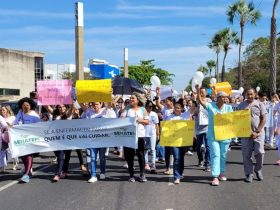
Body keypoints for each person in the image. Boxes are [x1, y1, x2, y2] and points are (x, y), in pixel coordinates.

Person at [196, 85, 233, 186]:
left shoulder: (229, 108)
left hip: (225, 135)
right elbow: (200, 101)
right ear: (218, 98)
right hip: (213, 136)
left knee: (223, 155)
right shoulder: (211, 106)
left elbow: (232, 120)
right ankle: (215, 176)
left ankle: (221, 172)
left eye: (226, 97)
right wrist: (198, 90)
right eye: (223, 97)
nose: (225, 98)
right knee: (215, 155)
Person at [238, 89, 267, 183]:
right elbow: (237, 120)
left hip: (258, 133)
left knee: (260, 152)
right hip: (245, 134)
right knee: (246, 155)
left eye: (251, 94)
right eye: (248, 94)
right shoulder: (241, 105)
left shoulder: (260, 104)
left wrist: (257, 131)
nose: (250, 96)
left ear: (255, 94)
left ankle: (258, 169)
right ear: (245, 95)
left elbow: (263, 119)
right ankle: (249, 174)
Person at [121, 92, 149, 183]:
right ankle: (131, 175)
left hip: (140, 135)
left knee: (140, 155)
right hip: (129, 136)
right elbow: (121, 120)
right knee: (130, 156)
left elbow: (147, 122)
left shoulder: (143, 109)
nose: (131, 100)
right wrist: (123, 111)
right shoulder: (127, 109)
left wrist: (140, 120)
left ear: (137, 100)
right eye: (130, 98)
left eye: (133, 98)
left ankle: (142, 174)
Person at [14, 97, 40, 183]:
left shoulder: (34, 115)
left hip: (30, 139)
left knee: (29, 156)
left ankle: (26, 175)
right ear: (21, 106)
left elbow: (39, 127)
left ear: (30, 106)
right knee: (22, 155)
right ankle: (28, 171)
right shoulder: (19, 113)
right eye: (24, 105)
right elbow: (15, 122)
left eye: (27, 105)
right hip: (20, 138)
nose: (25, 106)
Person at [165, 101, 191, 184]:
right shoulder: (170, 117)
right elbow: (166, 128)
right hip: (174, 141)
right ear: (174, 108)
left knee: (181, 158)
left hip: (183, 140)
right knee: (176, 158)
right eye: (176, 107)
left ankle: (180, 172)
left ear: (182, 109)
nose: (177, 109)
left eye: (179, 108)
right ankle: (176, 177)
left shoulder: (185, 115)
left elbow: (193, 108)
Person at [194, 87, 211, 172]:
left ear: (206, 93)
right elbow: (194, 113)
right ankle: (200, 159)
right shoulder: (196, 102)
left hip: (208, 127)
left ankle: (207, 163)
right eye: (200, 92)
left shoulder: (209, 101)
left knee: (208, 146)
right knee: (198, 146)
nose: (201, 94)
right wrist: (197, 110)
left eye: (203, 92)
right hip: (198, 127)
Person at [144, 100, 159, 173]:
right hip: (144, 134)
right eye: (149, 106)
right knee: (145, 149)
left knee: (152, 149)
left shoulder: (154, 114)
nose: (150, 108)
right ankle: (146, 164)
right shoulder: (143, 113)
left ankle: (153, 164)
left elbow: (156, 125)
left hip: (152, 133)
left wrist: (158, 134)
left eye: (152, 106)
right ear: (146, 106)